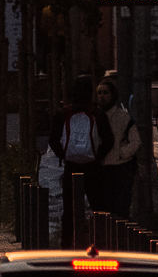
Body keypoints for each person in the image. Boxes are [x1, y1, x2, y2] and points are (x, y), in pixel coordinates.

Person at [48, 77, 111, 243]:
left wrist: (65, 155)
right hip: (93, 167)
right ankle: (102, 244)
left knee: (69, 209)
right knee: (99, 208)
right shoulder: (97, 113)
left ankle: (67, 246)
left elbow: (53, 140)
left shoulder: (62, 113)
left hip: (71, 167)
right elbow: (109, 140)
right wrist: (98, 156)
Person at [94, 79, 141, 218]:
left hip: (120, 168)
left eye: (105, 93)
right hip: (102, 169)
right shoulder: (94, 117)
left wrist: (121, 154)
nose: (102, 96)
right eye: (99, 93)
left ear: (113, 95)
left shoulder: (123, 116)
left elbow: (136, 141)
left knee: (121, 209)